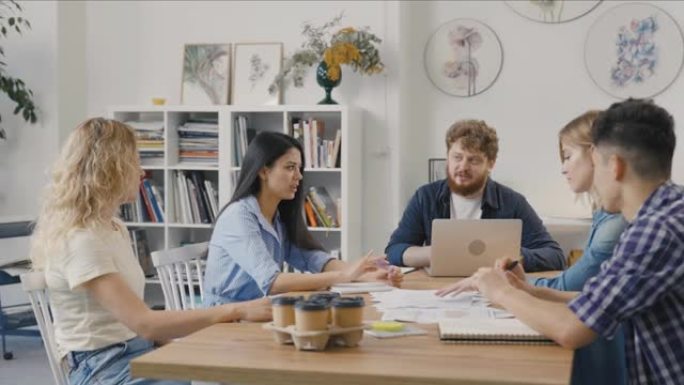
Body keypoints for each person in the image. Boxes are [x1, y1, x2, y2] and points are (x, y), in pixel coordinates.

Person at [29, 118, 272, 385]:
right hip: (102, 368)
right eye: (134, 161)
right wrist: (237, 311)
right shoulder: (81, 240)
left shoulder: (113, 228)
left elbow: (139, 324)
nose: (141, 171)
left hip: (137, 351)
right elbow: (144, 322)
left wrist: (187, 351)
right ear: (111, 169)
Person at [472, 99, 684, 385]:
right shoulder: (666, 211)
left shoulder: (654, 230)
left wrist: (501, 293)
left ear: (616, 167)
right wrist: (527, 290)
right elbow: (599, 299)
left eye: (595, 164)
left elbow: (571, 330)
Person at [436, 111, 627, 385]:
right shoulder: (427, 196)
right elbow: (598, 298)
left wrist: (503, 287)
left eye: (568, 156)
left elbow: (574, 310)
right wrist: (528, 288)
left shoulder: (621, 224)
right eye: (456, 157)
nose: (563, 168)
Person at [203, 132, 402, 305]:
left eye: (299, 168)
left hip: (257, 312)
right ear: (264, 171)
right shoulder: (239, 217)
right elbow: (272, 282)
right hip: (224, 322)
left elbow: (314, 260)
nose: (298, 176)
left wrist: (365, 274)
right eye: (290, 167)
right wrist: (345, 275)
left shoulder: (277, 217)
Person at [385, 119, 564, 272]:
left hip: (493, 289)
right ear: (448, 157)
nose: (462, 167)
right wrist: (436, 253)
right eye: (457, 157)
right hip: (437, 290)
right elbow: (394, 251)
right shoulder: (425, 197)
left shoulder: (512, 202)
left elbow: (555, 256)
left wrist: (511, 256)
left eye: (473, 160)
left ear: (490, 163)